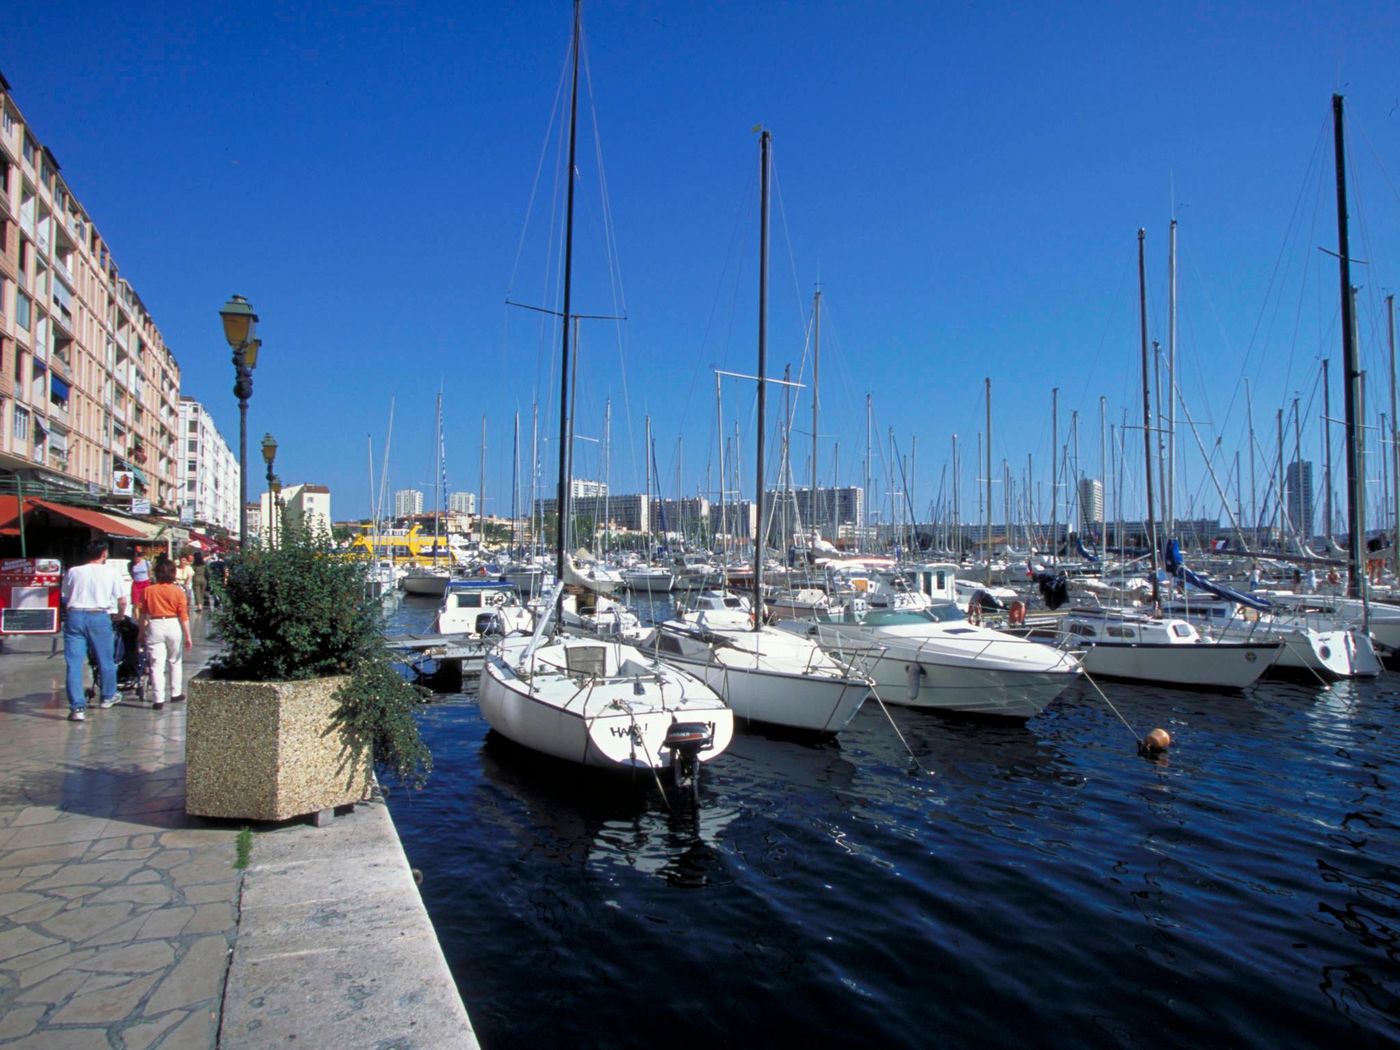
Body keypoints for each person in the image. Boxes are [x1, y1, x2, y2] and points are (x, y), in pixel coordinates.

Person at [61, 538, 128, 722]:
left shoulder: (74, 571)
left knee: (74, 663)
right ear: (104, 553)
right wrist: (120, 615)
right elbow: (122, 599)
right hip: (98, 615)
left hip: (75, 616)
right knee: (105, 659)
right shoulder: (111, 572)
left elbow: (65, 596)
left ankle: (77, 708)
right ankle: (107, 696)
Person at [139, 558, 192, 710]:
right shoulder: (178, 591)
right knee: (175, 661)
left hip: (155, 624)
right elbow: (184, 616)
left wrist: (141, 632)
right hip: (173, 624)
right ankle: (175, 693)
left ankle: (158, 699)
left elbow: (142, 614)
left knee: (156, 664)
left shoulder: (148, 590)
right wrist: (188, 636)